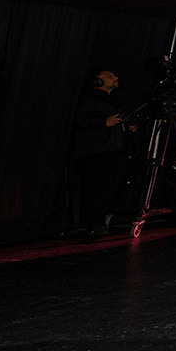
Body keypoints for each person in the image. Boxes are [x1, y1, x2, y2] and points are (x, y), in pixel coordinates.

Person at [68, 69, 131, 233]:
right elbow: (77, 119)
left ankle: (100, 219)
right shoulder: (90, 98)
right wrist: (104, 122)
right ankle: (92, 223)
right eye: (110, 76)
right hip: (94, 151)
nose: (115, 78)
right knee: (93, 187)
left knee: (105, 187)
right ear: (98, 81)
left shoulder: (111, 100)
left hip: (109, 149)